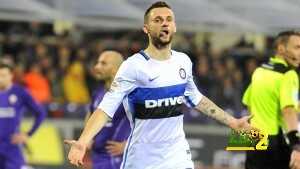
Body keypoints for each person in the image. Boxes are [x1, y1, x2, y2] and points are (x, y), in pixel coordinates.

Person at [65, 2, 255, 169]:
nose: (164, 23)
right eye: (157, 20)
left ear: (174, 26)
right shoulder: (133, 67)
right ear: (146, 28)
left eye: (168, 19)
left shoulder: (183, 61)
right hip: (141, 159)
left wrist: (233, 122)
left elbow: (196, 99)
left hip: (177, 156)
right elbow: (105, 109)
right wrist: (83, 141)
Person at [243, 31, 300, 169]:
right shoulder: (288, 74)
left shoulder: (259, 71)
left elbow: (248, 104)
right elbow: (288, 111)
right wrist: (297, 146)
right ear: (281, 48)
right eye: (297, 47)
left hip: (252, 136)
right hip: (275, 141)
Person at [86, 51, 130, 169]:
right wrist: (87, 139)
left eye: (103, 64)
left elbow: (148, 122)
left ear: (116, 69)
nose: (96, 67)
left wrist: (128, 145)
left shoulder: (129, 95)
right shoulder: (98, 92)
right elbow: (90, 115)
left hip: (117, 159)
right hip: (97, 157)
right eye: (98, 63)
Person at [0, 61, 46, 169]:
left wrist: (28, 134)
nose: (0, 78)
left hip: (11, 146)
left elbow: (40, 113)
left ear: (11, 75)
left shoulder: (20, 92)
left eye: (3, 75)